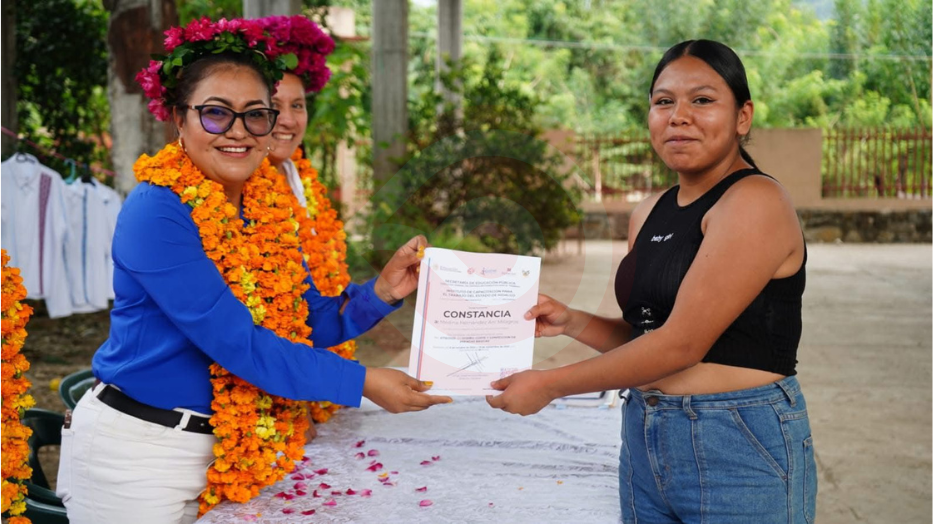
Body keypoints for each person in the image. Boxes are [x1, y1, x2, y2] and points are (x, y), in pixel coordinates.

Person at [56, 18, 450, 524]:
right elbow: (238, 342)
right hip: (139, 456)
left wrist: (381, 292)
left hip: (237, 453)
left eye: (255, 115)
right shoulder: (156, 210)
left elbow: (304, 321)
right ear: (178, 119)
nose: (238, 131)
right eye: (215, 113)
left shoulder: (267, 204)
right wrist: (362, 381)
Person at [487, 39, 816, 523]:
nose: (678, 116)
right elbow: (647, 339)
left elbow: (680, 345)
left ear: (742, 117)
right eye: (664, 102)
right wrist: (573, 321)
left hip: (737, 443)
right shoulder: (649, 211)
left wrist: (550, 385)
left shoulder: (755, 201)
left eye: (702, 100)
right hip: (645, 436)